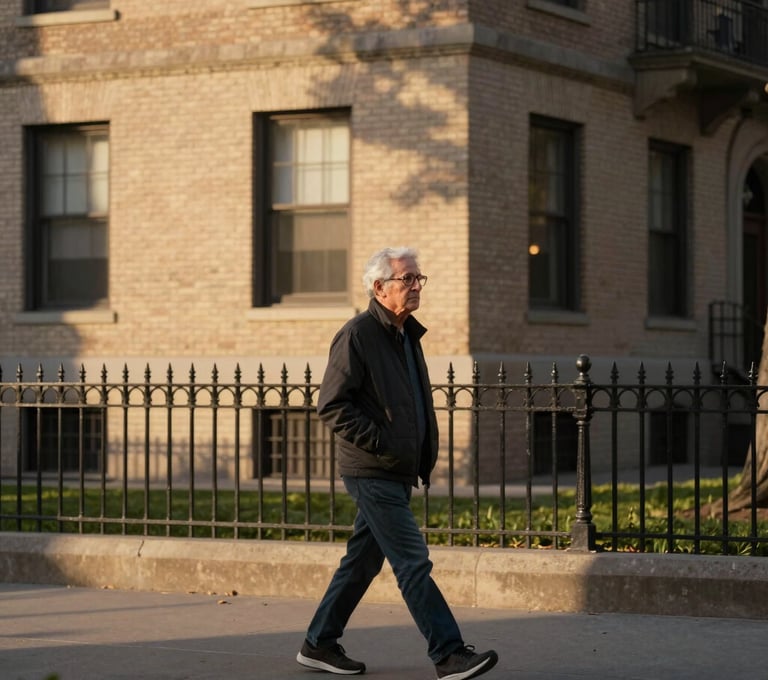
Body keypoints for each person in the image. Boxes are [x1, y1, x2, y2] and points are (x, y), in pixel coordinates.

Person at [296, 247, 498, 679]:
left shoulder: (407, 335)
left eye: (418, 279)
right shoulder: (358, 335)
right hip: (371, 469)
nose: (415, 286)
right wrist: (383, 445)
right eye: (406, 279)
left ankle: (319, 643)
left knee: (363, 560)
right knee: (412, 560)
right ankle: (449, 654)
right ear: (379, 286)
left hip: (397, 468)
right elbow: (332, 405)